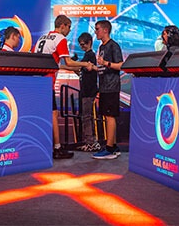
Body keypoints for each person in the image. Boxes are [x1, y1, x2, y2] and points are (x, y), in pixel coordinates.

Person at [34, 14, 94, 159]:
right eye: (68, 27)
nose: (69, 30)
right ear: (62, 26)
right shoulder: (60, 39)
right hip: (48, 81)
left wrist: (73, 69)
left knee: (45, 114)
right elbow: (68, 62)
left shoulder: (42, 38)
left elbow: (55, 64)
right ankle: (57, 148)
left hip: (37, 81)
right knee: (54, 114)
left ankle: (44, 146)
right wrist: (85, 64)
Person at [92, 20, 123, 160]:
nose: (95, 31)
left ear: (105, 30)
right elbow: (102, 68)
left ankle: (109, 148)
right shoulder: (101, 47)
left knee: (110, 117)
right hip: (104, 87)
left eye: (97, 29)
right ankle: (113, 146)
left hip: (112, 86)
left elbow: (121, 65)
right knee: (106, 116)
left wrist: (106, 63)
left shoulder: (113, 46)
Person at [75, 32, 100, 152]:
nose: (82, 47)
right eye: (80, 45)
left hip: (89, 91)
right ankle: (90, 141)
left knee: (87, 117)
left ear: (89, 42)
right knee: (87, 117)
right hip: (85, 90)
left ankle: (90, 142)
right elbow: (82, 72)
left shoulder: (90, 55)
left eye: (83, 44)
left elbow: (89, 69)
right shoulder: (87, 56)